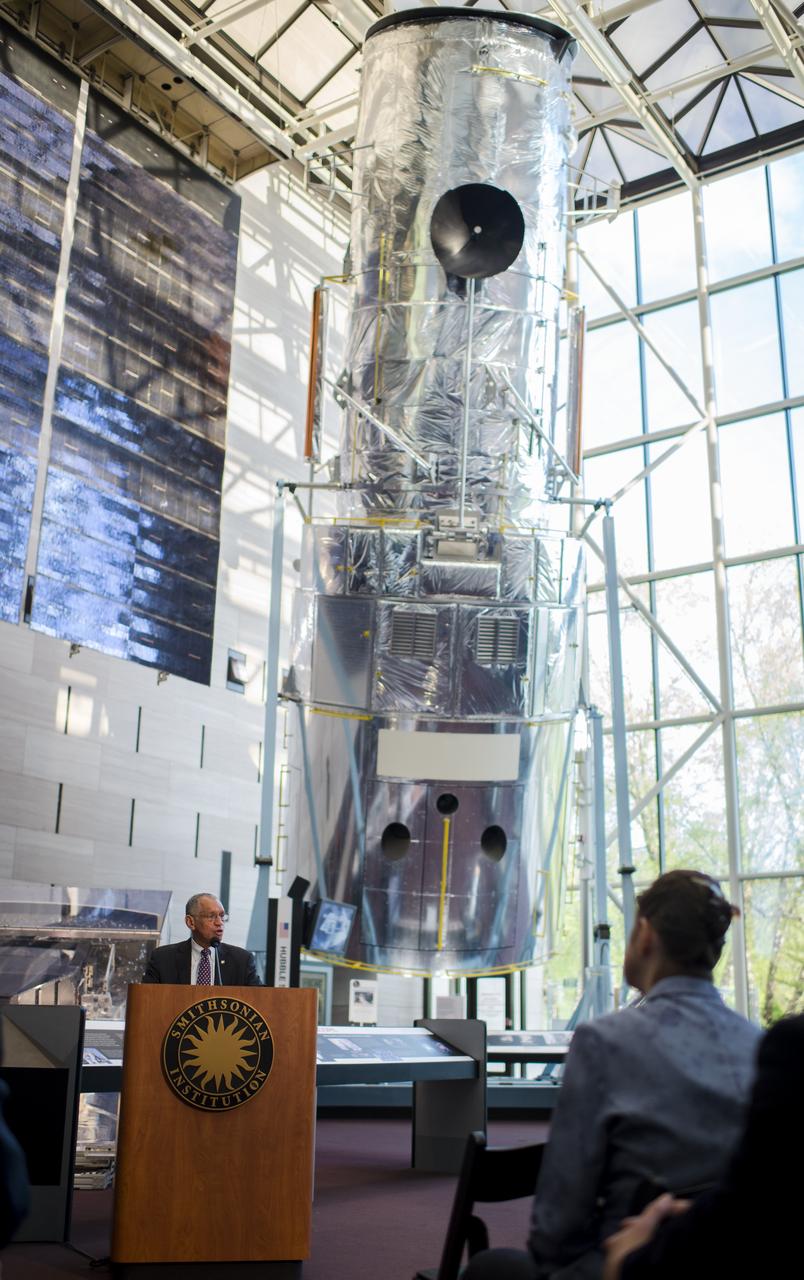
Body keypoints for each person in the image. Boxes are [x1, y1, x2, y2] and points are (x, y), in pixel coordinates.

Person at [461, 869, 761, 1280]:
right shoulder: (760, 1046)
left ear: (645, 935)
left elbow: (557, 1230)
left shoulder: (604, 1042)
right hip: (727, 1260)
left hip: (632, 1265)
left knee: (488, 1269)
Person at [602, 1011, 804, 1280]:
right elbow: (763, 1201)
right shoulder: (753, 1034)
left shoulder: (793, 1046)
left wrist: (626, 1259)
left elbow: (555, 1230)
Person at [143, 893, 262, 985]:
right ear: (190, 922)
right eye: (211, 916)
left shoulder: (241, 960)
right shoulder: (162, 958)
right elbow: (147, 1000)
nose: (219, 923)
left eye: (221, 916)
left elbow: (261, 998)